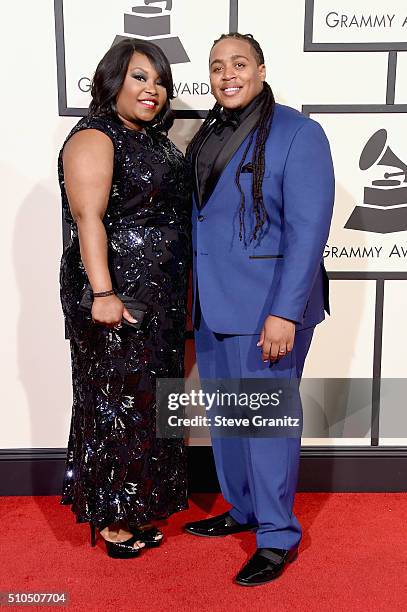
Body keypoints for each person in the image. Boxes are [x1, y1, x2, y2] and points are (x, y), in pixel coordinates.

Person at [184, 33, 334, 585]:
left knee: (267, 425)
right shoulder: (207, 133)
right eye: (218, 66)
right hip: (213, 303)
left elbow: (307, 231)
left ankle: (276, 535)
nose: (228, 74)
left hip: (268, 309)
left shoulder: (300, 133)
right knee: (227, 422)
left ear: (262, 69)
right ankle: (242, 509)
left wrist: (285, 313)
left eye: (239, 64)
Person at [59, 38, 191, 559]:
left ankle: (141, 504)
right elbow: (88, 217)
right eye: (139, 77)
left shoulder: (154, 141)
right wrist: (104, 293)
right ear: (113, 79)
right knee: (118, 404)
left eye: (158, 81)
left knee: (149, 401)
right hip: (117, 295)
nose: (151, 90)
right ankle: (116, 519)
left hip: (159, 298)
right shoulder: (96, 135)